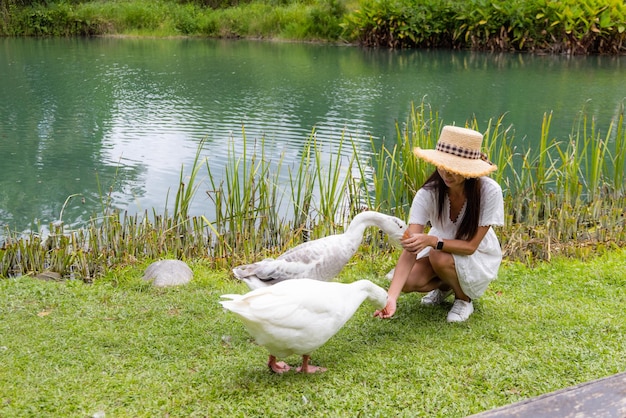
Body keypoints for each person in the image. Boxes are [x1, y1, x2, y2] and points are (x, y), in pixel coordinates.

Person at [374, 125, 504, 322]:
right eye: (441, 165)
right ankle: (446, 286)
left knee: (439, 256)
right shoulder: (428, 193)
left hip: (476, 253)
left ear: (469, 170)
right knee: (407, 281)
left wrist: (432, 240)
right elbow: (411, 247)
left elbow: (470, 247)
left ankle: (463, 299)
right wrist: (390, 298)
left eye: (454, 168)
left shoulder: (489, 191)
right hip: (439, 249)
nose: (445, 173)